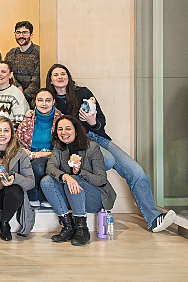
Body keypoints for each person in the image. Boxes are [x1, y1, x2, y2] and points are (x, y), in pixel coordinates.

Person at [47, 64, 176, 232]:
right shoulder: (49, 100)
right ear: (50, 80)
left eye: (63, 73)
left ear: (68, 77)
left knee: (135, 170)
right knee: (107, 160)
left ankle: (153, 219)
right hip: (79, 145)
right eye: (55, 74)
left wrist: (92, 121)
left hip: (97, 136)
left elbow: (101, 120)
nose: (60, 77)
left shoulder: (83, 93)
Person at [41, 115, 115, 246]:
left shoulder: (92, 147)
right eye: (60, 129)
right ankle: (68, 226)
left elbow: (101, 180)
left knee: (75, 179)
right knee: (46, 181)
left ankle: (82, 228)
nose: (64, 132)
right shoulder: (59, 147)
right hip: (72, 195)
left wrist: (80, 172)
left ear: (76, 130)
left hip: (95, 196)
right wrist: (66, 176)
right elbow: (50, 168)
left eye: (68, 128)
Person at [0, 117, 35, 242]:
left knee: (16, 189)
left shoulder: (21, 153)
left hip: (7, 199)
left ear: (12, 133)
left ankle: (4, 223)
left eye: (6, 130)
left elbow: (31, 182)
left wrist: (15, 178)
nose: (2, 134)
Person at [17, 88, 62, 207]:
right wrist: (24, 151)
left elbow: (64, 148)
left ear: (53, 102)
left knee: (38, 166)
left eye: (48, 100)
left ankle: (42, 197)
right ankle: (29, 198)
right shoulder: (28, 119)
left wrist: (41, 154)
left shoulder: (61, 120)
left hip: (51, 156)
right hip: (29, 155)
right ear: (35, 102)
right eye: (40, 100)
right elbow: (17, 141)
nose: (44, 104)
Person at [0, 61, 29, 131]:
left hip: (9, 133)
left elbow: (20, 122)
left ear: (10, 75)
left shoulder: (16, 94)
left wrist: (3, 122)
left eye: (3, 72)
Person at [4, 21, 40, 103]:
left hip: (34, 99)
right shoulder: (10, 54)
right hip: (13, 96)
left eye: (25, 33)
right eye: (18, 33)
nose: (21, 36)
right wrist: (18, 86)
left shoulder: (39, 53)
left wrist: (23, 96)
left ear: (31, 35)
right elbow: (7, 74)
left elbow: (37, 80)